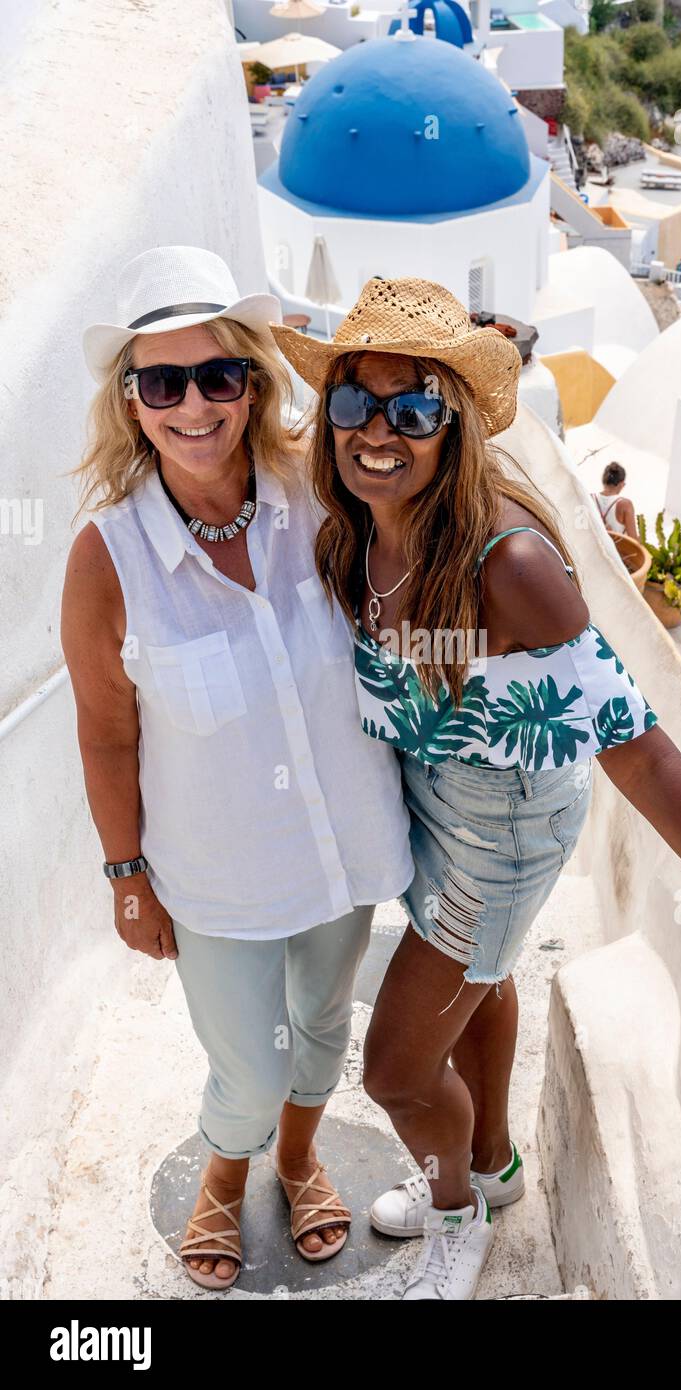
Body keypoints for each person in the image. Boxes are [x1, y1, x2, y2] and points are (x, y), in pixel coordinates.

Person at [270, 275, 681, 1301]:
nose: (378, 431)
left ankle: (456, 1214)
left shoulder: (513, 564)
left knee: (398, 1073)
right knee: (485, 985)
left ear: (453, 424)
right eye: (353, 402)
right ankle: (494, 1168)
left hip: (502, 838)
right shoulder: (356, 521)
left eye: (413, 407)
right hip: (437, 805)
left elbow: (639, 743)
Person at [62, 246, 414, 1290]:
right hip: (214, 876)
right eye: (162, 383)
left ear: (253, 381)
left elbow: (432, 502)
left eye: (218, 375)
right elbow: (104, 731)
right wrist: (126, 877)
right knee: (249, 1066)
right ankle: (227, 1172)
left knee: (319, 1031)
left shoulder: (319, 497)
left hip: (344, 845)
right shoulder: (107, 557)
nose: (194, 405)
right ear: (132, 405)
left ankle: (299, 1164)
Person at [591, 461, 639, 540]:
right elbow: (633, 540)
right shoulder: (625, 504)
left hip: (591, 548)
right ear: (622, 484)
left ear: (603, 480)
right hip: (613, 551)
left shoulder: (590, 498)